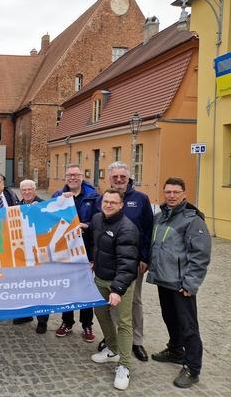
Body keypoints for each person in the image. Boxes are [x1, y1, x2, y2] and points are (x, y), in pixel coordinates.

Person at [147, 178, 211, 388]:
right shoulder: (159, 217)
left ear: (184, 193)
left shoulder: (193, 220)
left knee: (188, 325)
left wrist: (190, 284)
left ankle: (193, 368)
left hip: (181, 284)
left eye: (176, 192)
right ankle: (175, 349)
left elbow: (200, 255)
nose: (172, 195)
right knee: (169, 317)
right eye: (168, 192)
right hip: (164, 280)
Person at [97, 161, 153, 362]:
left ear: (128, 178)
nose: (119, 180)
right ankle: (113, 341)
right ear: (109, 178)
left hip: (131, 262)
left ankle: (136, 341)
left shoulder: (141, 199)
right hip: (107, 263)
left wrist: (145, 257)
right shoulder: (102, 199)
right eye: (115, 177)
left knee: (133, 302)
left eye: (122, 177)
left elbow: (148, 229)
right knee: (110, 302)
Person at [89, 189, 140, 391]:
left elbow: (128, 263)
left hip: (119, 283)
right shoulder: (97, 219)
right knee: (100, 312)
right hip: (100, 278)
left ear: (121, 205)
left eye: (113, 202)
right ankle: (112, 349)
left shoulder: (127, 228)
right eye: (106, 201)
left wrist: (118, 289)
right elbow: (96, 243)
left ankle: (125, 366)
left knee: (124, 321)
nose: (108, 205)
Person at [46, 164, 98, 341]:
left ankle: (87, 325)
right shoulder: (57, 196)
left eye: (76, 174)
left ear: (82, 176)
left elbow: (99, 220)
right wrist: (60, 201)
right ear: (65, 177)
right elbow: (48, 217)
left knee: (85, 288)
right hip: (64, 250)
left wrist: (87, 225)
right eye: (69, 175)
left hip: (86, 249)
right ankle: (67, 322)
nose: (72, 178)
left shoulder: (93, 196)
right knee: (66, 287)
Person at [12, 179, 47, 330]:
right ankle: (26, 314)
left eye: (29, 189)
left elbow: (47, 226)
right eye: (24, 190)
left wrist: (38, 211)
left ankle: (42, 320)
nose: (26, 192)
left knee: (39, 287)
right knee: (24, 286)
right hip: (22, 254)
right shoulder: (17, 207)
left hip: (38, 253)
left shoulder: (43, 205)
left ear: (35, 189)